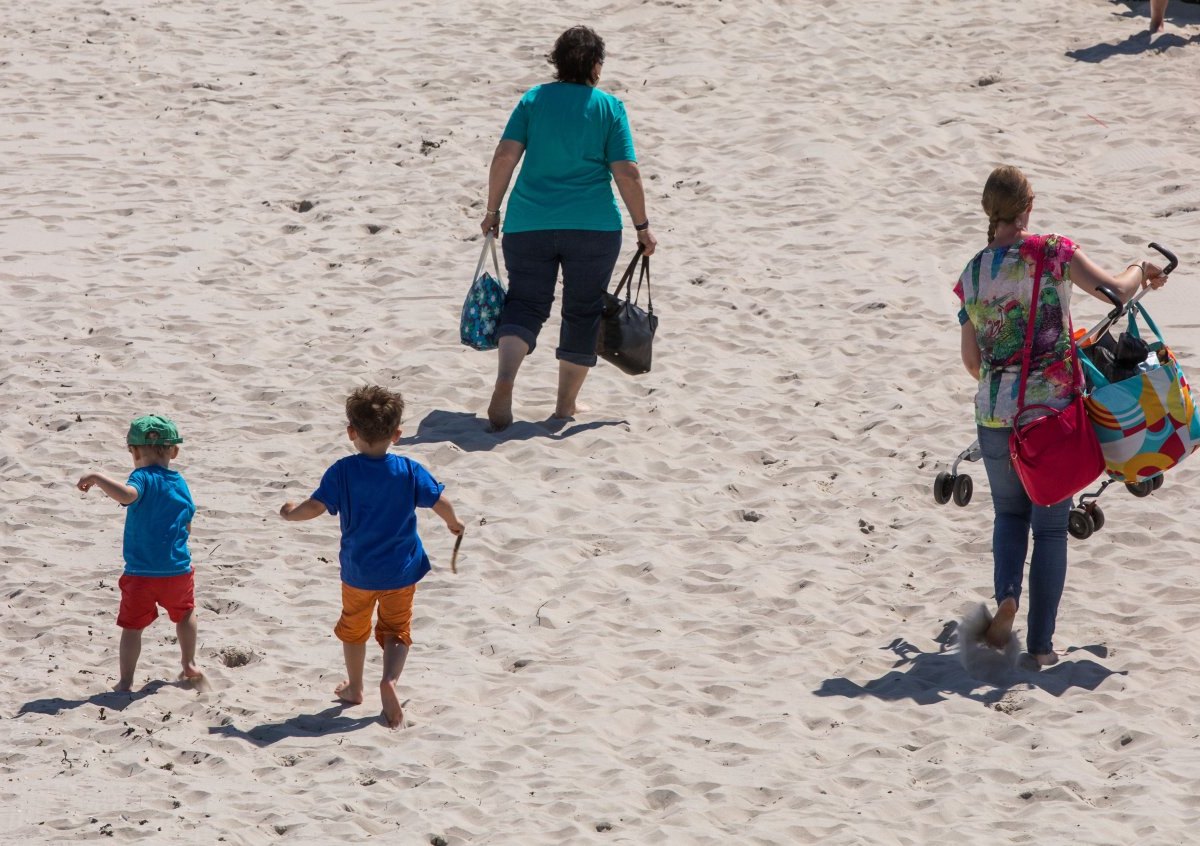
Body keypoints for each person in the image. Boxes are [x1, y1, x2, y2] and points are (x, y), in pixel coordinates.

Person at [954, 165, 1168, 666]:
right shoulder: (1052, 251)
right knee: (1049, 528)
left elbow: (971, 363)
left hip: (992, 416)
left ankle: (1007, 598)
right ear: (1028, 207)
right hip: (1049, 416)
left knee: (1008, 514)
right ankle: (1041, 648)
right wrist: (1142, 267)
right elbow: (1116, 291)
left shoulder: (972, 273)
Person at [481, 25, 658, 431]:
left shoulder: (533, 100)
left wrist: (492, 210)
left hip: (529, 222)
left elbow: (505, 155)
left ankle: (506, 379)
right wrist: (642, 226)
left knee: (525, 303)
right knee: (582, 311)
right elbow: (627, 173)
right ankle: (564, 407)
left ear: (557, 63)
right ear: (596, 65)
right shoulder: (608, 107)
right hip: (592, 227)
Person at [280, 385, 464, 728]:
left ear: (351, 432)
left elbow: (315, 507)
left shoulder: (342, 471)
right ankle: (390, 681)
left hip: (359, 573)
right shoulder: (409, 470)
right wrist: (454, 524)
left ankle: (354, 687)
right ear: (397, 435)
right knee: (397, 629)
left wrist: (290, 513)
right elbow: (440, 502)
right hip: (402, 572)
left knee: (354, 629)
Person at [77, 415, 201, 691]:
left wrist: (98, 477)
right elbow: (188, 520)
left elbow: (128, 495)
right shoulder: (180, 482)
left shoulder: (141, 476)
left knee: (132, 628)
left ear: (133, 452)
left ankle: (126, 681)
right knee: (185, 613)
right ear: (175, 451)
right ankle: (189, 662)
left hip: (141, 573)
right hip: (178, 570)